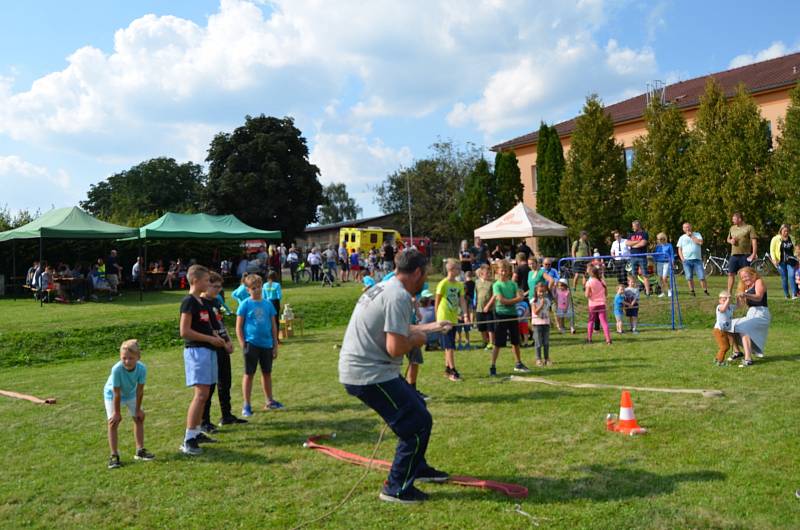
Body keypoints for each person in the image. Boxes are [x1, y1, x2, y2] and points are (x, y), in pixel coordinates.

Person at [338, 249, 451, 504]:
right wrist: (421, 338)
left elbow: (394, 328)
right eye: (426, 276)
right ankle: (396, 487)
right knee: (416, 423)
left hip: (368, 370)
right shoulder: (398, 296)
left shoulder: (386, 287)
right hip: (368, 374)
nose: (426, 282)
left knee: (418, 408)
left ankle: (416, 467)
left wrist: (429, 327)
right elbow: (396, 347)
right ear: (418, 273)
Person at [178, 265, 227, 455]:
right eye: (206, 280)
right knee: (200, 395)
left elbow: (206, 327)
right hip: (197, 352)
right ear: (196, 281)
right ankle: (188, 439)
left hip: (208, 351)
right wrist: (210, 339)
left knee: (205, 395)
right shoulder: (189, 301)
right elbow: (185, 331)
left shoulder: (201, 302)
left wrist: (218, 337)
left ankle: (197, 431)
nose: (209, 284)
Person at [200, 272, 244, 431]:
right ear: (206, 285)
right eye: (215, 286)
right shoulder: (201, 303)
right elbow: (208, 328)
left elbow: (220, 323)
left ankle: (227, 415)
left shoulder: (217, 301)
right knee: (209, 385)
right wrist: (222, 343)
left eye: (220, 286)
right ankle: (204, 421)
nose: (219, 289)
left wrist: (228, 341)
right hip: (211, 347)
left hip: (223, 346)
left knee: (225, 381)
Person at [104, 339, 154, 469]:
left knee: (139, 418)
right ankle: (114, 455)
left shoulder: (142, 368)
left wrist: (138, 410)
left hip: (131, 393)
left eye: (131, 358)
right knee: (113, 422)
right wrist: (117, 413)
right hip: (113, 395)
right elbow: (116, 393)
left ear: (138, 357)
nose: (127, 361)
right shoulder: (117, 369)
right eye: (124, 358)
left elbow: (140, 390)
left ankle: (140, 450)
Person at [236, 274, 282, 415]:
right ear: (248, 289)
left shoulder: (268, 304)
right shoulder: (245, 304)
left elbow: (273, 326)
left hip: (267, 344)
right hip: (251, 344)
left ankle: (269, 401)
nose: (257, 290)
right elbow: (238, 327)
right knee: (249, 374)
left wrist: (275, 344)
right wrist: (243, 344)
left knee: (267, 373)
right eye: (253, 288)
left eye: (259, 287)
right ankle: (247, 405)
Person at [485, 259, 530, 376]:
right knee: (498, 343)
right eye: (501, 270)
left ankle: (518, 363)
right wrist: (517, 299)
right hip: (501, 315)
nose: (504, 273)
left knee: (516, 341)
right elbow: (502, 300)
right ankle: (493, 365)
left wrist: (517, 298)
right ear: (498, 271)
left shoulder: (513, 284)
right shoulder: (496, 285)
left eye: (505, 270)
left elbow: (519, 294)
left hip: (513, 315)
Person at [435, 259, 469, 381]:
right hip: (444, 317)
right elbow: (437, 301)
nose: (459, 271)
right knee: (450, 346)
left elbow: (462, 301)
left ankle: (447, 368)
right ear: (451, 270)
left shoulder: (459, 285)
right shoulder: (443, 284)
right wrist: (437, 318)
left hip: (454, 317)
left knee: (449, 344)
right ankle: (453, 371)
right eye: (457, 269)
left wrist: (465, 315)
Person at [730, 267, 770, 368]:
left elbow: (759, 297)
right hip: (751, 314)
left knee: (743, 328)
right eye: (742, 277)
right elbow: (739, 306)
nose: (744, 279)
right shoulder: (744, 287)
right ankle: (737, 352)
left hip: (761, 314)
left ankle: (748, 359)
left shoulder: (758, 281)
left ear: (753, 274)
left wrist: (745, 295)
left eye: (746, 276)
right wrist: (728, 302)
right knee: (727, 325)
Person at [726, 212, 757, 294]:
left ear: (740, 219)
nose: (732, 221)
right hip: (734, 255)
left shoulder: (749, 227)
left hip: (745, 255)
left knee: (745, 275)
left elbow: (754, 241)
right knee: (730, 274)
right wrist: (731, 241)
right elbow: (728, 239)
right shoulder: (732, 228)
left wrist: (753, 254)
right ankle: (729, 293)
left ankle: (746, 292)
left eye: (734, 219)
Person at [676, 222, 709, 296]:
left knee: (701, 276)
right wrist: (682, 259)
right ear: (683, 229)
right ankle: (692, 291)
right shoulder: (682, 238)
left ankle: (705, 291)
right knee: (689, 277)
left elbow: (700, 243)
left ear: (691, 227)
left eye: (688, 227)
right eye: (685, 227)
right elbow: (679, 249)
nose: (687, 228)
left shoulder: (697, 234)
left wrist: (691, 236)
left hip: (697, 259)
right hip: (686, 260)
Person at [585, 265, 611, 344]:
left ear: (591, 273)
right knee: (604, 322)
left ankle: (589, 339)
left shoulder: (589, 282)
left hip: (592, 304)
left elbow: (587, 295)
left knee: (591, 321)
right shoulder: (602, 281)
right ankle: (608, 339)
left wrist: (590, 294)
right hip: (602, 304)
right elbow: (606, 293)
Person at [770, 224, 797, 299]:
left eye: (788, 231)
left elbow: (794, 249)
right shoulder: (775, 239)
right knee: (784, 278)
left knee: (792, 275)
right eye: (784, 231)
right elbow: (772, 250)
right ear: (781, 231)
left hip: (790, 261)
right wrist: (774, 259)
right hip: (780, 261)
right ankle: (786, 295)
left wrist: (796, 257)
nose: (786, 232)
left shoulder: (792, 238)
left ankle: (794, 294)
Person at [626, 220, 651, 296]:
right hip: (633, 257)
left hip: (642, 257)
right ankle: (634, 291)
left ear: (638, 226)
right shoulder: (631, 234)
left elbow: (643, 243)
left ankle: (647, 292)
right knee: (634, 275)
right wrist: (637, 242)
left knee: (645, 275)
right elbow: (627, 243)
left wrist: (633, 244)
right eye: (632, 225)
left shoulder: (644, 234)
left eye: (634, 225)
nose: (632, 227)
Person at [712, 291, 736, 367]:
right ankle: (720, 362)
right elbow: (723, 309)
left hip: (724, 330)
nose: (725, 301)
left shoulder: (730, 306)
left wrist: (739, 298)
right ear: (720, 300)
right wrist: (728, 300)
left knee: (726, 346)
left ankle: (717, 359)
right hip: (719, 330)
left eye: (727, 299)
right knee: (724, 347)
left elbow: (739, 306)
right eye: (723, 300)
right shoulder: (719, 307)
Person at [475, 264, 495, 349]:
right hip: (479, 308)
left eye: (489, 273)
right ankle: (484, 341)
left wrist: (488, 305)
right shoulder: (477, 282)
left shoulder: (492, 283)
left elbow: (494, 296)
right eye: (487, 273)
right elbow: (476, 294)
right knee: (481, 327)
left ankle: (491, 342)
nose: (489, 274)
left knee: (490, 327)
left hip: (489, 309)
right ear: (481, 273)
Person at [531, 282, 552, 366]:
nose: (541, 293)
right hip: (537, 324)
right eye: (540, 291)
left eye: (543, 291)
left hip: (546, 323)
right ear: (536, 291)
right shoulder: (534, 301)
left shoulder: (547, 300)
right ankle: (538, 359)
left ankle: (547, 358)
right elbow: (535, 312)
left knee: (546, 342)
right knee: (538, 342)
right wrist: (541, 305)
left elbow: (548, 311)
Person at [654, 233, 674, 298]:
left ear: (663, 239)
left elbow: (672, 254)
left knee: (664, 278)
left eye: (659, 239)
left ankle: (669, 291)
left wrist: (672, 262)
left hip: (666, 263)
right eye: (658, 239)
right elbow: (655, 255)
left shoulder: (669, 245)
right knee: (660, 278)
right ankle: (662, 292)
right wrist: (654, 261)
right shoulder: (657, 246)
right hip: (659, 263)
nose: (658, 240)